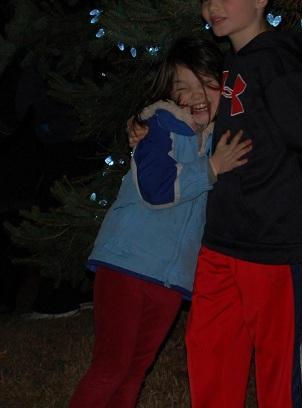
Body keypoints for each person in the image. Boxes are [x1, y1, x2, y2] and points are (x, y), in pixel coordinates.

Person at [185, 0, 302, 408]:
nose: (213, 7)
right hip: (222, 241)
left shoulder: (276, 62)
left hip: (274, 243)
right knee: (210, 352)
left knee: (276, 369)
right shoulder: (234, 66)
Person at [69, 37, 252, 408]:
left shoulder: (219, 138)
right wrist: (212, 168)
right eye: (182, 87)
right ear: (170, 94)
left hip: (171, 278)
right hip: (127, 264)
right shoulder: (160, 126)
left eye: (206, 82)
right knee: (111, 367)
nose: (197, 95)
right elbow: (157, 189)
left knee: (136, 370)